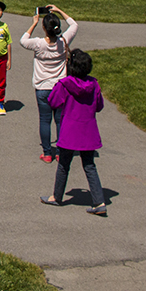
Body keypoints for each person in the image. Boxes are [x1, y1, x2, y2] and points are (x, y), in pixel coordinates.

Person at [41, 49, 108, 215]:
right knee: (89, 165)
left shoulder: (65, 84)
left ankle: (57, 196)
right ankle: (99, 201)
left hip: (69, 132)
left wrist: (57, 85)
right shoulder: (94, 85)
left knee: (64, 165)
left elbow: (53, 101)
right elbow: (99, 106)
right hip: (88, 131)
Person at [20, 6, 78, 161]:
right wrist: (59, 10)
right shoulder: (63, 42)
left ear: (44, 28)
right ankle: (60, 151)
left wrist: (34, 23)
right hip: (60, 87)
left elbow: (23, 41)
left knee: (45, 120)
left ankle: (47, 153)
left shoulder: (38, 44)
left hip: (42, 87)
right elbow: (74, 25)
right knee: (60, 120)